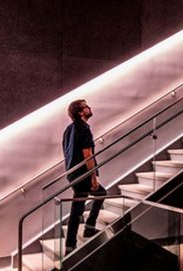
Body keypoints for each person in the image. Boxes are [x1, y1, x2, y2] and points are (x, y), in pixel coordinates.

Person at [62, 99, 107, 255]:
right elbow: (88, 155)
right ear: (80, 112)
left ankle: (71, 244)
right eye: (86, 106)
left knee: (78, 207)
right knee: (99, 194)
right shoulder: (84, 129)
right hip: (83, 174)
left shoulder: (69, 129)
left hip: (73, 174)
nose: (90, 107)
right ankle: (86, 230)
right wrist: (93, 176)